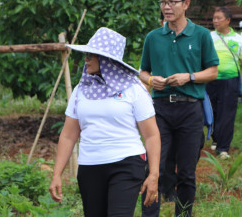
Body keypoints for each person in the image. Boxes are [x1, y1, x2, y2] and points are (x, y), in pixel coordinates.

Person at [49, 27, 161, 216]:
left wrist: (154, 175)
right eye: (86, 54)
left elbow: (151, 135)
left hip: (127, 162)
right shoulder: (81, 90)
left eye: (91, 55)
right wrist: (56, 174)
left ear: (107, 60)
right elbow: (68, 136)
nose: (86, 59)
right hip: (90, 166)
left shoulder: (133, 89)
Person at [139, 0, 219, 217]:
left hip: (190, 110)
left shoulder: (202, 35)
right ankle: (149, 214)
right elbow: (142, 71)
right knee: (154, 168)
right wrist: (152, 80)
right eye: (163, 2)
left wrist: (189, 77)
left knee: (186, 172)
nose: (166, 7)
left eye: (172, 2)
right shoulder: (153, 37)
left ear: (186, 4)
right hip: (160, 109)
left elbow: (213, 71)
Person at [207, 7, 242, 159]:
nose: (215, 21)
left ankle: (223, 148)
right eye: (214, 18)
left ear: (228, 20)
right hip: (210, 80)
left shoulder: (238, 39)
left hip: (230, 81)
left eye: (218, 18)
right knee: (212, 111)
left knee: (227, 113)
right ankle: (215, 138)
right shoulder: (208, 37)